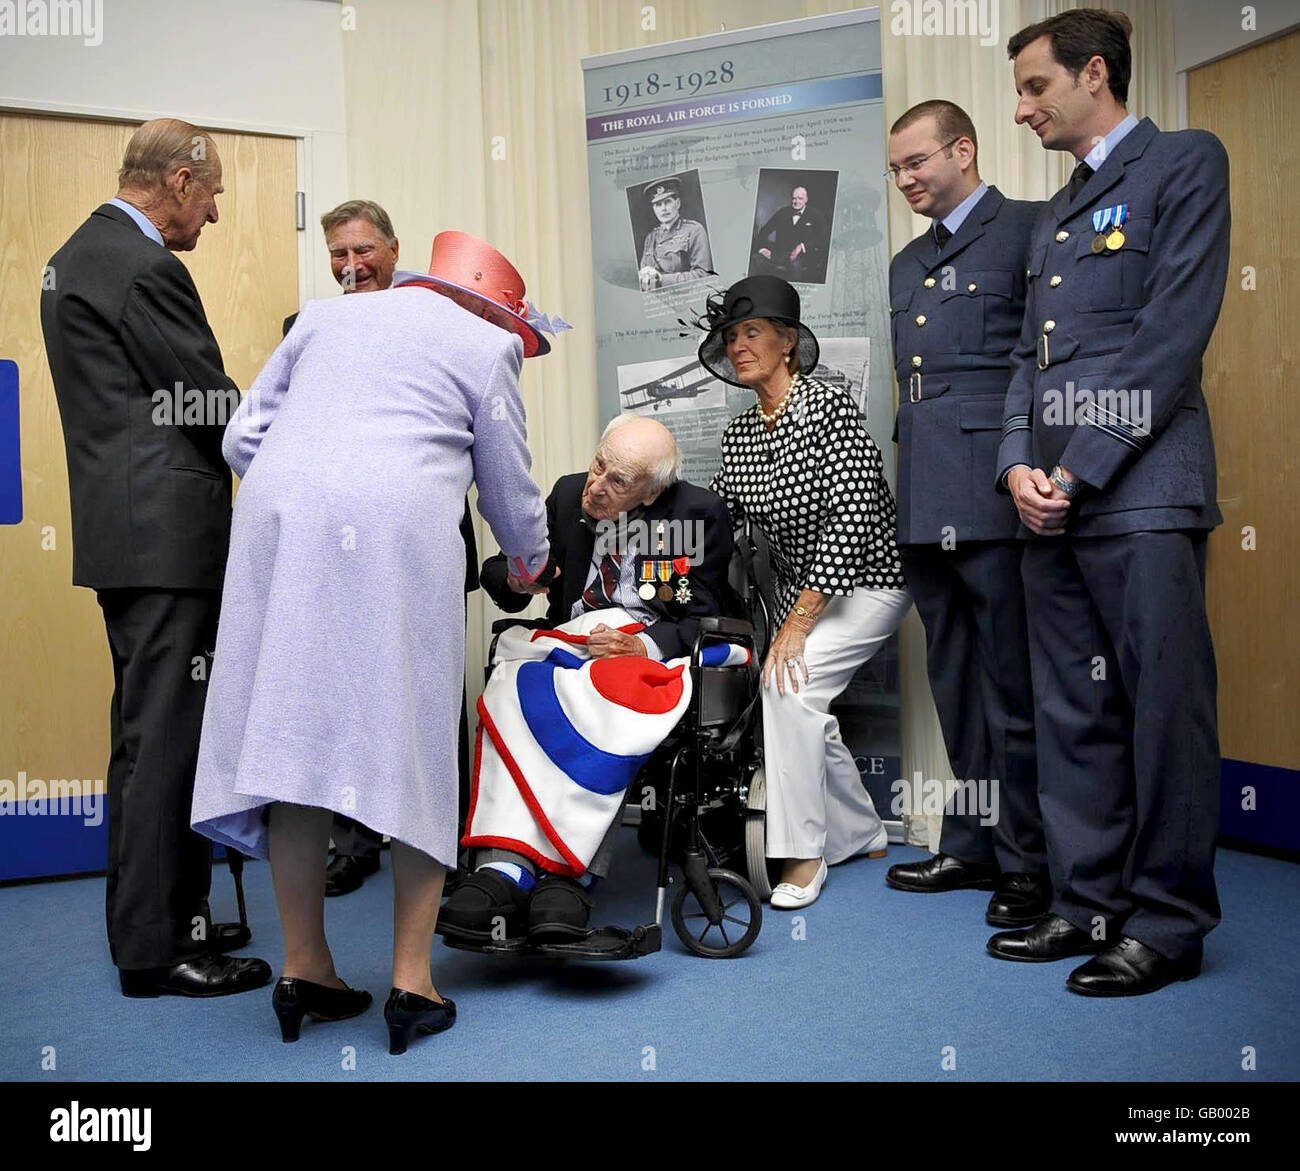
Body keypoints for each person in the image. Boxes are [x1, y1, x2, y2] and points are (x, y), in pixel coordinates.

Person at [190, 231, 559, 1052]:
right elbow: (506, 482)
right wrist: (532, 561)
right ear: (494, 307)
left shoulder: (326, 316)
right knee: (415, 742)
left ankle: (303, 968)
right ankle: (411, 983)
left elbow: (239, 438)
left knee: (291, 736)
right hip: (394, 528)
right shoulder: (486, 340)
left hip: (278, 518)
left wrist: (314, 475)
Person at [990, 9, 1230, 997]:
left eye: (1036, 87)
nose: (1020, 109)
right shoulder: (1051, 217)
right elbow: (1021, 359)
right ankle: (1086, 902)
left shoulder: (1184, 162)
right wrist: (1015, 463)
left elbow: (1168, 335)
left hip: (1138, 490)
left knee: (1162, 709)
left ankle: (1166, 925)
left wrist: (1079, 465)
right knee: (1071, 711)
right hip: (1046, 499)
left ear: (1096, 74)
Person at [40, 117, 271, 999]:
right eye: (210, 195)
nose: (212, 216)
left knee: (145, 742)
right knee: (166, 744)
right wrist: (283, 428)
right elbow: (209, 403)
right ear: (179, 179)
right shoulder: (144, 266)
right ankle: (161, 947)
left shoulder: (76, 255)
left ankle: (153, 929)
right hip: (169, 544)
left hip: (128, 537)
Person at [440, 416, 734, 945]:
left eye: (618, 482)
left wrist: (640, 644)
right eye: (599, 465)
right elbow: (513, 584)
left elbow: (700, 615)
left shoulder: (696, 512)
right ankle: (502, 868)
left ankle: (566, 876)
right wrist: (515, 576)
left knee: (605, 700)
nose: (596, 487)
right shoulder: (569, 493)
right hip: (568, 638)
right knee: (510, 687)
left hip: (639, 646)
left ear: (654, 490)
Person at [881, 100, 1050, 928]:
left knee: (1014, 686)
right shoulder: (905, 262)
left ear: (965, 150)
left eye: (918, 162)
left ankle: (1030, 857)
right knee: (955, 683)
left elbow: (1040, 364)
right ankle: (975, 839)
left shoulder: (1031, 228)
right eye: (897, 170)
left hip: (994, 491)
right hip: (924, 495)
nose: (907, 179)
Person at [282, 199, 479, 898]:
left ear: (395, 250)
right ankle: (359, 834)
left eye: (363, 250)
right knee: (349, 690)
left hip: (421, 542)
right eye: (338, 253)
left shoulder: (447, 320)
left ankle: (445, 843)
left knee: (429, 693)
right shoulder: (308, 328)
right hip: (335, 555)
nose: (351, 265)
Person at [702, 276, 912, 909]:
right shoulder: (740, 434)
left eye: (753, 333)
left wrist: (795, 626)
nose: (740, 346)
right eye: (732, 336)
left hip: (870, 583)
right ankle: (861, 829)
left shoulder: (828, 407)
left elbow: (851, 520)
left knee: (786, 685)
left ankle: (802, 854)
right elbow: (722, 522)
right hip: (805, 594)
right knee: (805, 707)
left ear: (788, 342)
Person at [638, 176, 713, 290]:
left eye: (667, 202)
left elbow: (703, 275)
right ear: (654, 209)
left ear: (677, 203)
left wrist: (662, 280)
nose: (663, 208)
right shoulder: (650, 238)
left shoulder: (694, 230)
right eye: (658, 204)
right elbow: (643, 278)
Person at [751, 185, 830, 282]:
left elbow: (822, 239)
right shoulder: (783, 212)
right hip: (779, 255)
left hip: (803, 257)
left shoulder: (816, 215)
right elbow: (764, 231)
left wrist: (802, 246)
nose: (796, 202)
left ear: (806, 199)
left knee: (794, 267)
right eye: (794, 198)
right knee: (755, 260)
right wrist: (762, 249)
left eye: (800, 198)